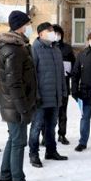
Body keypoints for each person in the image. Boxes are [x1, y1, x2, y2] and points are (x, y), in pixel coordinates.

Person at [0, 10, 41, 181]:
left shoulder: (18, 46)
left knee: (13, 139)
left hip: (14, 103)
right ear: (20, 26)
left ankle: (5, 176)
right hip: (15, 105)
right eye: (28, 24)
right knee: (19, 142)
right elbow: (14, 83)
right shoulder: (13, 49)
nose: (30, 27)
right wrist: (23, 108)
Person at [28, 22, 68, 167]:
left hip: (55, 96)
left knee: (51, 126)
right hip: (41, 97)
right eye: (49, 31)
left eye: (53, 31)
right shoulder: (35, 49)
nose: (53, 33)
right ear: (41, 34)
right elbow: (32, 76)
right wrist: (36, 95)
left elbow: (61, 74)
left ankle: (51, 151)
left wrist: (63, 91)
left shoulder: (56, 49)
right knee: (37, 126)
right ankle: (33, 154)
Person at [53, 24, 76, 145]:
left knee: (62, 112)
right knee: (49, 113)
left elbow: (74, 63)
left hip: (64, 84)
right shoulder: (47, 47)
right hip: (50, 85)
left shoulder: (67, 48)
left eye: (59, 34)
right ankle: (46, 135)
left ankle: (62, 134)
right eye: (54, 33)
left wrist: (71, 72)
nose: (57, 36)